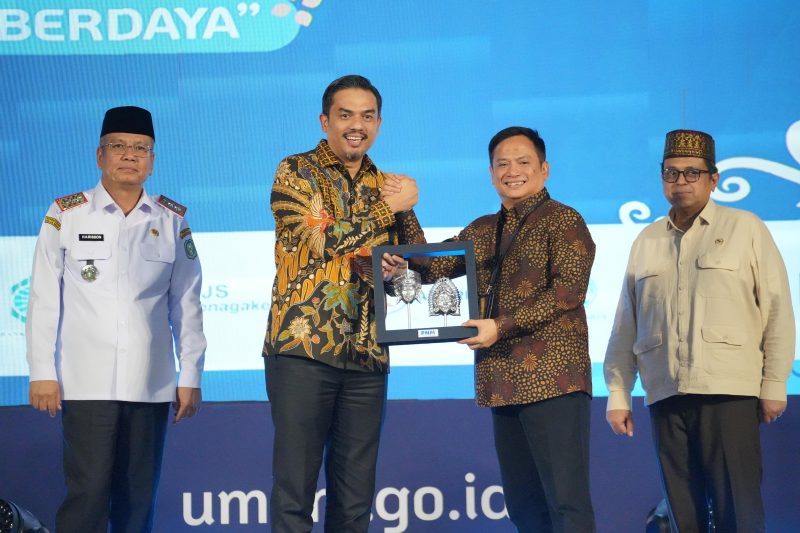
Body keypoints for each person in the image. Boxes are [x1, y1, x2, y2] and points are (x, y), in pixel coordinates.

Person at [386, 126, 597, 532]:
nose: (512, 171)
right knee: (522, 507)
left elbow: (568, 292)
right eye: (502, 163)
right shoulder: (484, 229)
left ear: (544, 169)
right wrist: (403, 210)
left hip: (554, 381)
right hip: (502, 382)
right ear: (491, 172)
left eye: (523, 162)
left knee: (566, 504)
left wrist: (501, 326)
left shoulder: (564, 220)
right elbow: (433, 266)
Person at [604, 129, 795, 532]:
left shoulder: (747, 228)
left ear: (714, 179)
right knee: (681, 514)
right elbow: (627, 323)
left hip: (728, 392)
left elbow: (777, 310)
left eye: (692, 173)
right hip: (666, 393)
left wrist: (774, 382)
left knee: (737, 512)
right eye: (671, 173)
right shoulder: (647, 240)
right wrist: (619, 392)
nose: (681, 183)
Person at [26, 106, 206, 533]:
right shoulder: (66, 214)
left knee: (138, 501)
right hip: (86, 381)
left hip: (152, 383)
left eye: (140, 148)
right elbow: (43, 297)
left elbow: (187, 302)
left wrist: (191, 375)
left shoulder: (172, 219)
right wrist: (41, 372)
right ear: (100, 156)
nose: (130, 155)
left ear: (153, 160)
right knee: (86, 497)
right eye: (119, 147)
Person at [262, 74, 422, 532]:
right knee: (294, 493)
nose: (357, 125)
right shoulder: (296, 171)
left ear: (379, 123)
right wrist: (389, 210)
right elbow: (321, 238)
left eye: (367, 116)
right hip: (302, 351)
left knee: (354, 503)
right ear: (325, 120)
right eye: (346, 115)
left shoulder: (389, 185)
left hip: (368, 355)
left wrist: (398, 271)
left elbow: (417, 264)